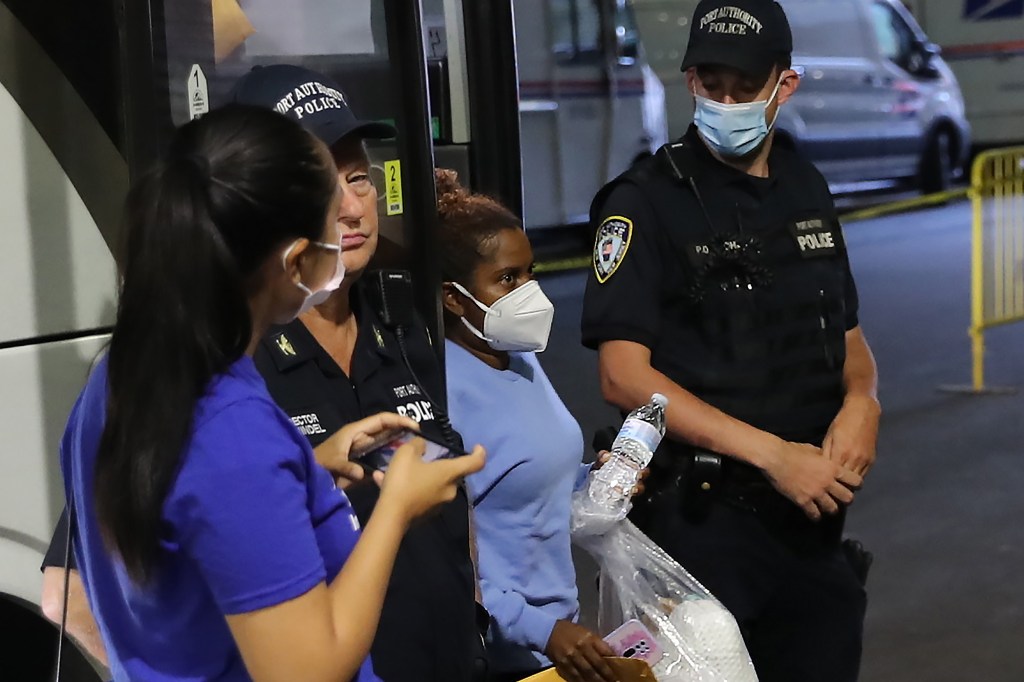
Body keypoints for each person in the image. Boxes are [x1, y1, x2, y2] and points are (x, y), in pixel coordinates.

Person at [43, 64, 488, 682]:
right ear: (296, 261)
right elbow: (306, 670)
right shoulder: (231, 428)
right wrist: (395, 512)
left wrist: (305, 474)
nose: (352, 218)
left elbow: (197, 530)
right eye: (327, 210)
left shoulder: (125, 373)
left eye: (359, 179)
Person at [580, 1, 880, 681]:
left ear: (786, 84)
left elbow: (847, 334)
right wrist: (772, 456)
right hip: (705, 528)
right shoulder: (644, 202)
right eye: (709, 83)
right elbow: (623, 377)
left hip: (811, 528)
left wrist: (864, 400)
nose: (724, 101)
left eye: (745, 87)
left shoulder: (805, 185)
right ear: (690, 81)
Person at [435, 169, 618, 682]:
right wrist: (539, 629)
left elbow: (531, 475)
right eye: (507, 279)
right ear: (454, 298)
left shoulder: (517, 358)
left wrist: (595, 479)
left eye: (530, 272)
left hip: (557, 640)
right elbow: (445, 552)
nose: (529, 292)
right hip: (503, 654)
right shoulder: (444, 391)